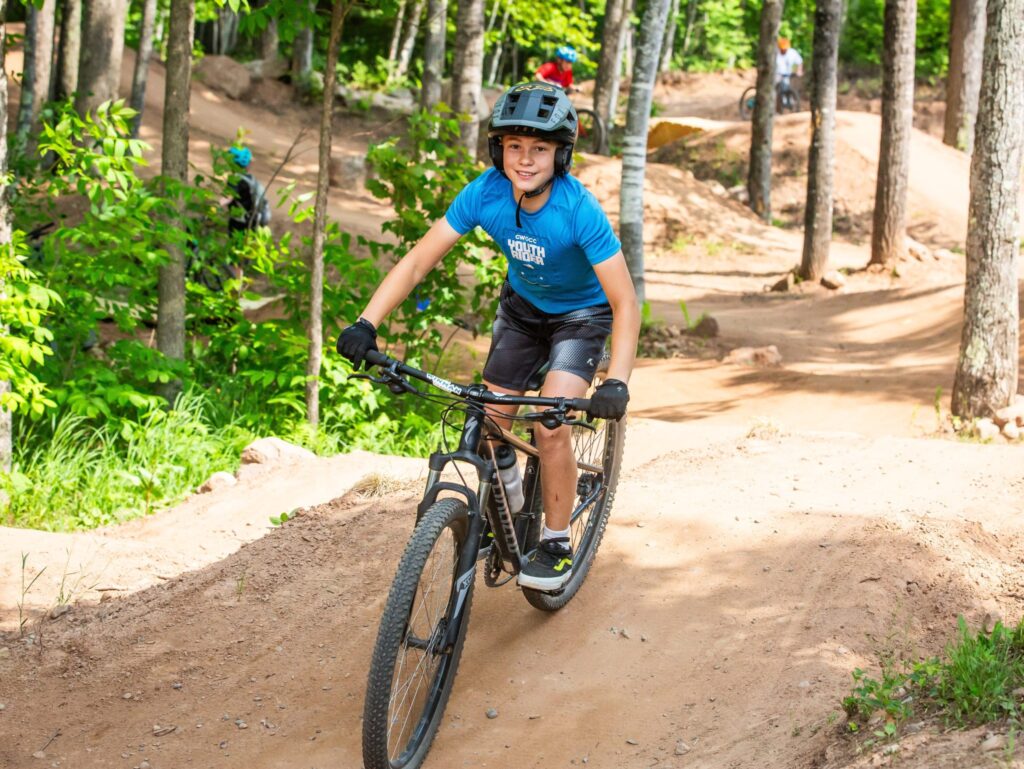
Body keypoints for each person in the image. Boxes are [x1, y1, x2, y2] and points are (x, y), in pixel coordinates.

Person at [336, 82, 640, 592]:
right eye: (513, 146)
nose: (524, 159)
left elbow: (625, 301)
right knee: (488, 418)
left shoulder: (578, 210)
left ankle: (557, 539)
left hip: (580, 318)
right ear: (497, 148)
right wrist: (366, 323)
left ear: (560, 154)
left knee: (549, 423)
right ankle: (510, 504)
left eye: (539, 148)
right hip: (522, 312)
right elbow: (416, 262)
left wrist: (618, 381)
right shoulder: (485, 193)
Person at [226, 145, 271, 235]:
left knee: (235, 244)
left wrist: (215, 206)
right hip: (254, 220)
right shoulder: (250, 179)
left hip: (239, 222)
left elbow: (228, 197)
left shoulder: (234, 180)